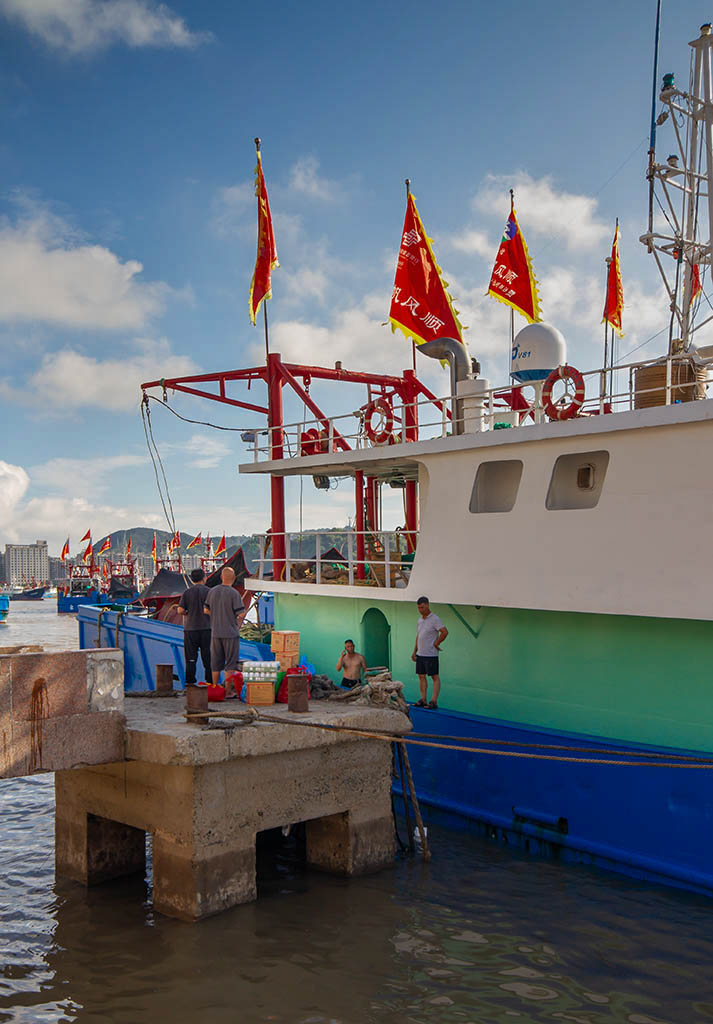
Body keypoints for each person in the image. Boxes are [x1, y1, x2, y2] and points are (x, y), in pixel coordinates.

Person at [203, 566, 245, 699]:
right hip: (231, 633)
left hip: (215, 633)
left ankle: (216, 688)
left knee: (216, 663)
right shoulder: (234, 594)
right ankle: (227, 691)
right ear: (233, 578)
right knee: (230, 663)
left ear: (221, 577)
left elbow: (206, 610)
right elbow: (241, 613)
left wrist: (216, 614)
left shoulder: (212, 592)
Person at [176, 568, 211, 687]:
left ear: (192, 579)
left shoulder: (187, 592)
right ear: (204, 578)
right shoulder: (209, 592)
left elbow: (180, 610)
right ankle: (210, 682)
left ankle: (190, 682)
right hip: (207, 628)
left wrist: (187, 613)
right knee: (208, 658)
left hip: (190, 629)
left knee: (191, 658)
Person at [411, 595, 447, 709]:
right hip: (420, 654)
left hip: (431, 654)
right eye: (419, 608)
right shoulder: (420, 620)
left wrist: (437, 643)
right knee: (421, 676)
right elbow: (419, 636)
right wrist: (414, 651)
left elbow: (444, 632)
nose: (420, 610)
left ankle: (434, 701)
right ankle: (423, 699)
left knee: (434, 677)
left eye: (422, 607)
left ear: (427, 605)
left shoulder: (435, 619)